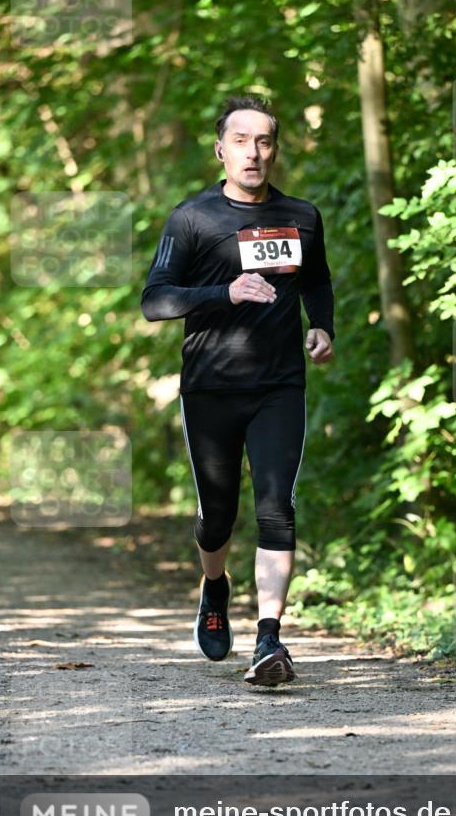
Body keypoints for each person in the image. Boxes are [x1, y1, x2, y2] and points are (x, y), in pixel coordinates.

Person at [140, 95, 335, 687]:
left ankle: (270, 640)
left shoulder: (303, 216)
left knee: (276, 505)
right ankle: (215, 585)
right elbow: (155, 300)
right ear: (221, 149)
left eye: (265, 141)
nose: (254, 152)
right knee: (217, 518)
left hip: (279, 386)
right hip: (210, 389)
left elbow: (316, 279)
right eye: (241, 140)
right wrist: (224, 293)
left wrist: (321, 325)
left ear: (274, 149)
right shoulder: (192, 219)